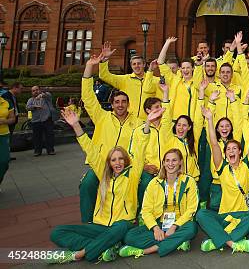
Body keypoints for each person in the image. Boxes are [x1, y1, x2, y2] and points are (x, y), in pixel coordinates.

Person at [47, 105, 158, 263]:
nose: (117, 162)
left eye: (121, 159)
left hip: (122, 224)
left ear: (126, 161)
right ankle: (105, 246)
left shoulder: (132, 175)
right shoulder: (103, 175)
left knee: (121, 227)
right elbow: (90, 150)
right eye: (113, 160)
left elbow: (140, 149)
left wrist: (147, 123)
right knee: (57, 232)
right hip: (100, 226)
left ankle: (81, 253)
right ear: (109, 163)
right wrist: (76, 125)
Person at [79, 53, 142, 223]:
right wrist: (89, 68)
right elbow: (88, 98)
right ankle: (88, 223)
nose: (120, 105)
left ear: (128, 104)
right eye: (117, 102)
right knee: (87, 185)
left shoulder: (138, 122)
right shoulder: (102, 117)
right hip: (103, 164)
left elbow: (145, 143)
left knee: (143, 183)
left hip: (127, 167)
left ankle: (136, 219)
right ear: (112, 104)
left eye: (123, 101)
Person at [196, 105, 249, 253]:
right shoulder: (223, 168)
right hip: (225, 215)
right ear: (225, 154)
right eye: (228, 149)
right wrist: (210, 119)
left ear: (239, 152)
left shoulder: (247, 166)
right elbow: (213, 143)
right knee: (201, 214)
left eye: (234, 149)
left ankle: (219, 240)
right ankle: (232, 242)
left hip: (243, 215)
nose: (231, 151)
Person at [119, 149, 199, 258]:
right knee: (129, 236)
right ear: (163, 163)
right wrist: (156, 228)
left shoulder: (189, 181)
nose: (170, 164)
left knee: (192, 228)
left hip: (180, 224)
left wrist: (174, 226)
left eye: (174, 160)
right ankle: (177, 242)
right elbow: (146, 211)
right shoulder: (154, 183)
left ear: (180, 162)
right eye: (167, 160)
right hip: (160, 223)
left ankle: (149, 250)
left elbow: (191, 209)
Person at [99, 42, 157, 120]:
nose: (136, 66)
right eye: (134, 64)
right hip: (128, 120)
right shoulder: (124, 79)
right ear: (131, 66)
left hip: (148, 121)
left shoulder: (154, 80)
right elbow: (104, 76)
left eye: (139, 63)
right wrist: (104, 60)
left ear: (144, 65)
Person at [26, 85, 55, 156]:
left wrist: (41, 95)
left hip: (47, 119)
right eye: (33, 91)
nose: (35, 92)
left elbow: (48, 94)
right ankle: (37, 151)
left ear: (40, 90)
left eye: (36, 90)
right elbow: (27, 107)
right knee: (37, 137)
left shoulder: (46, 97)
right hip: (36, 121)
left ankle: (50, 150)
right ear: (31, 92)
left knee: (49, 135)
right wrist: (35, 107)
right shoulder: (31, 100)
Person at [0, 82, 21, 162]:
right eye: (20, 88)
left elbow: (14, 107)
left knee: (9, 138)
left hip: (11, 121)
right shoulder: (6, 96)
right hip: (5, 123)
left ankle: (7, 154)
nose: (21, 90)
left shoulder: (13, 96)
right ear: (15, 88)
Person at [0, 90, 16, 185]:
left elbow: (12, 119)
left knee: (4, 162)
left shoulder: (6, 102)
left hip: (4, 135)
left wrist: (4, 121)